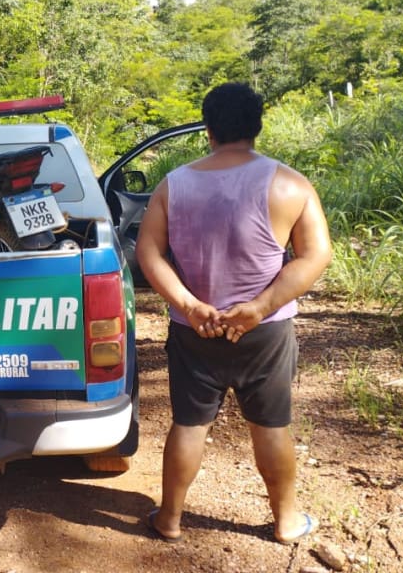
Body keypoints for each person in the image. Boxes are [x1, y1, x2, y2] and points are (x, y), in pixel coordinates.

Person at [136, 82, 332, 545]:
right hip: (265, 331)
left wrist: (188, 304)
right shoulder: (290, 184)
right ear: (257, 126)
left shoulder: (174, 185)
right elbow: (315, 255)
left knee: (189, 423)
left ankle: (169, 519)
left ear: (208, 129)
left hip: (195, 329)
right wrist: (260, 307)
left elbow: (148, 252)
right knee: (271, 423)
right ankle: (286, 521)